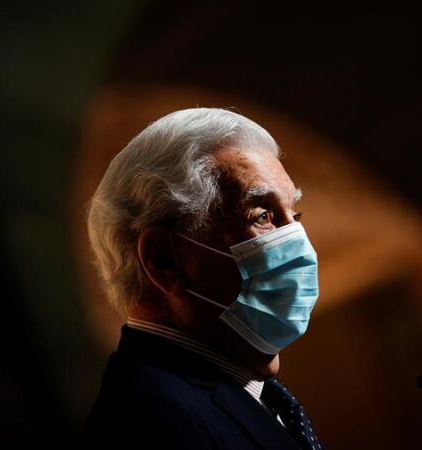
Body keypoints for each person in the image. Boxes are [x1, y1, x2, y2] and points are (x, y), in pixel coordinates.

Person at [82, 108, 324, 450]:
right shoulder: (155, 424)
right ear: (165, 261)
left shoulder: (242, 394)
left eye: (294, 215)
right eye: (263, 216)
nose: (299, 240)